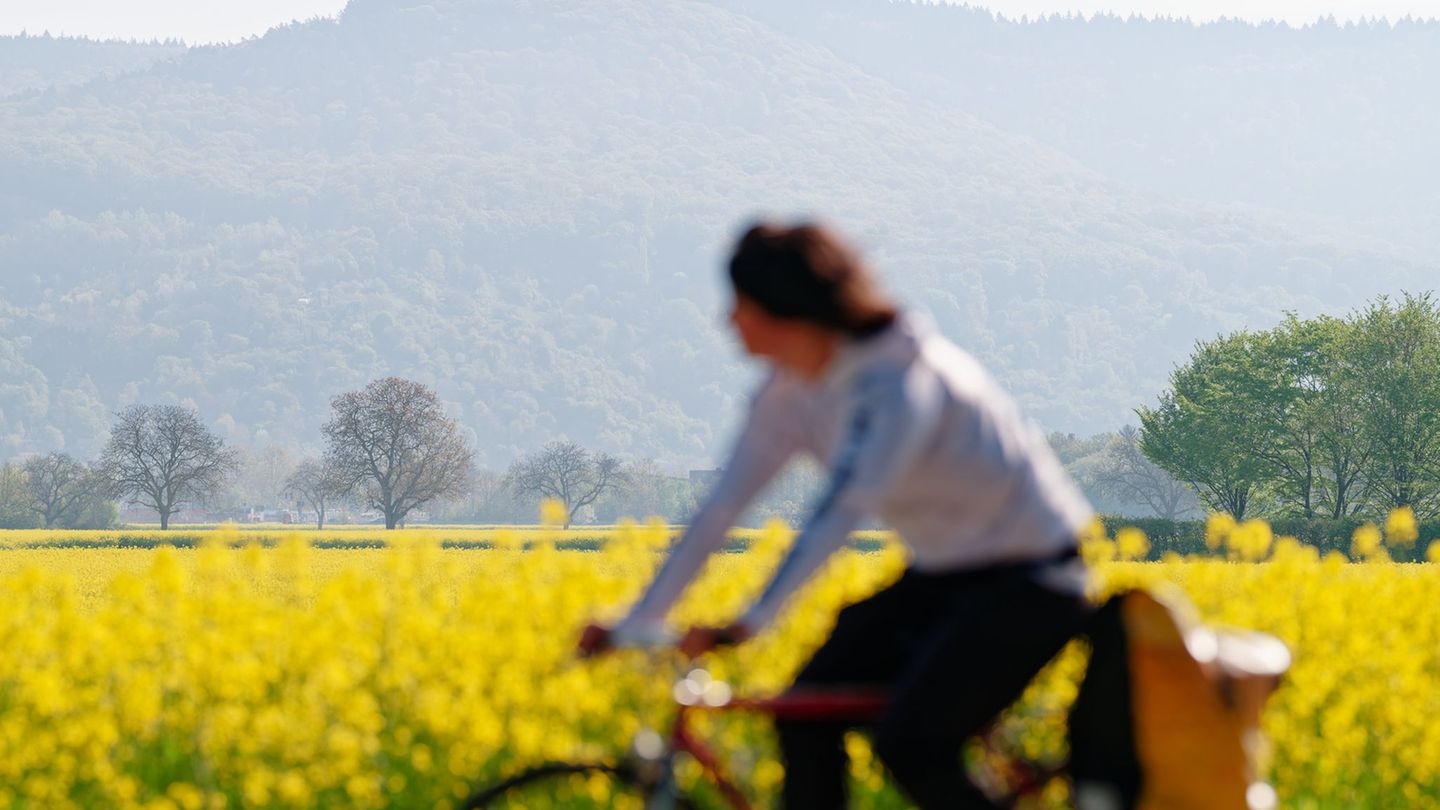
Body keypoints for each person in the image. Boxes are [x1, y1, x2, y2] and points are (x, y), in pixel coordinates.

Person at [584, 221, 1097, 809]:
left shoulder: (899, 381)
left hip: (1035, 579)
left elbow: (842, 509)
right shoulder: (791, 390)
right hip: (944, 576)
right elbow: (721, 506)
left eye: (741, 304)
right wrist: (640, 619)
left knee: (912, 746)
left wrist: (751, 621)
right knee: (802, 713)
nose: (729, 320)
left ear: (785, 310)